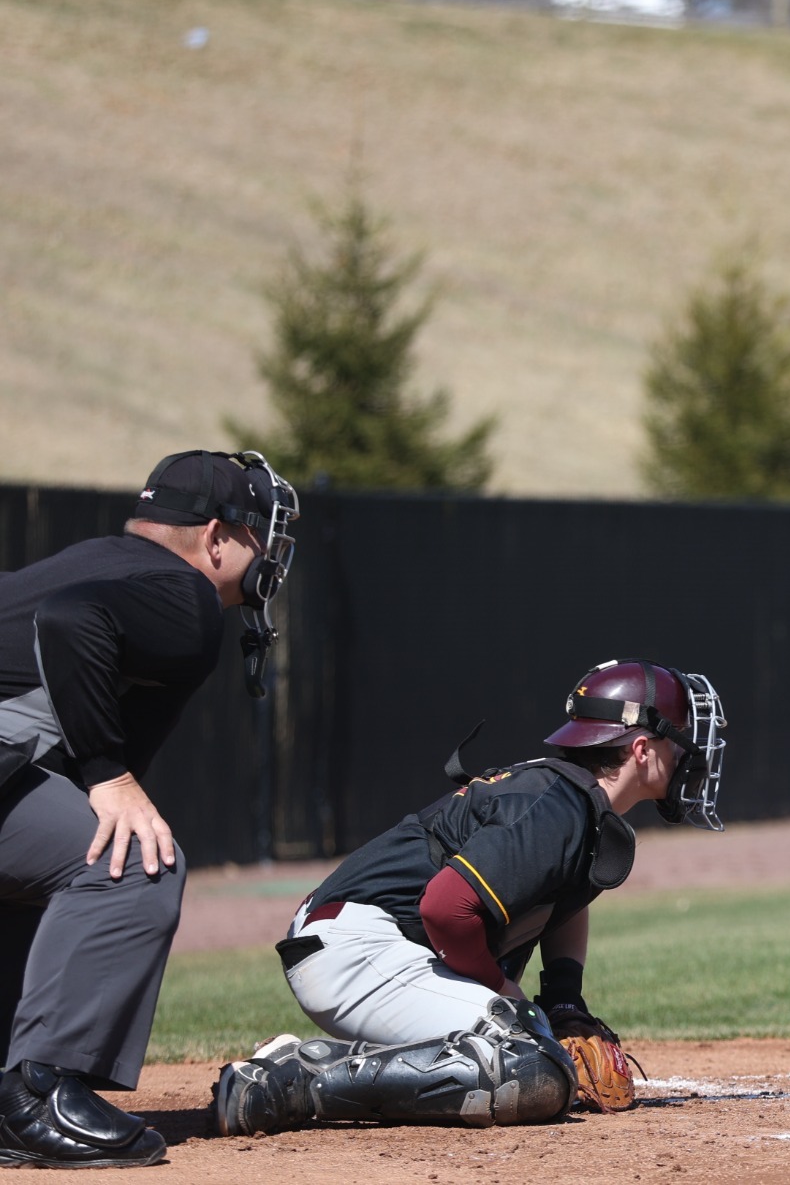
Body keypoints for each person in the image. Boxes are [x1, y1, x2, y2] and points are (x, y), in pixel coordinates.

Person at [210, 659, 727, 1134]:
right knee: (532, 1060)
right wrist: (511, 998)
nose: (690, 754)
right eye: (680, 740)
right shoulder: (560, 804)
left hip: (369, 946)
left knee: (532, 1042)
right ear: (641, 749)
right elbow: (446, 908)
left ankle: (330, 1065)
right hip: (358, 948)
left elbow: (566, 897)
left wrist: (564, 1002)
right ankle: (294, 1079)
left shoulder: (570, 802)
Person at [0, 450, 299, 1167]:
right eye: (262, 536)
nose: (270, 557)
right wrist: (107, 772)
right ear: (217, 537)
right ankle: (37, 1097)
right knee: (133, 862)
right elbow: (71, 623)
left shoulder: (93, 559)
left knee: (45, 878)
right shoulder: (185, 590)